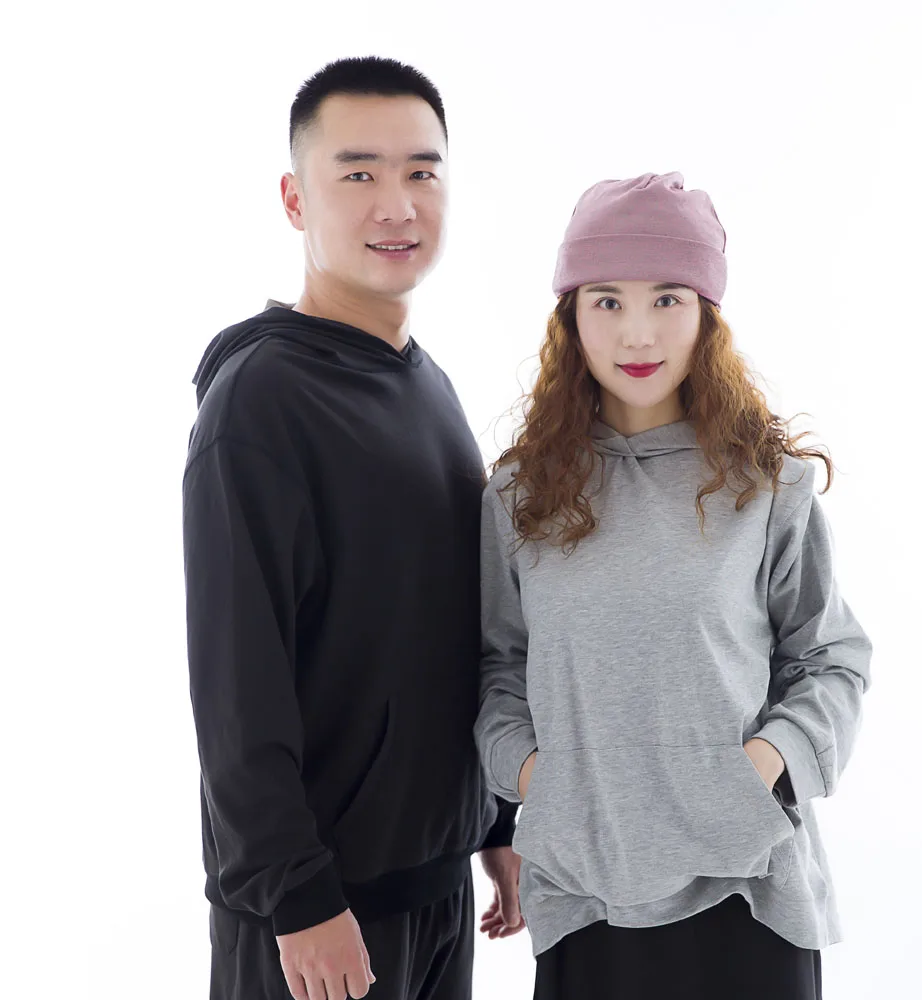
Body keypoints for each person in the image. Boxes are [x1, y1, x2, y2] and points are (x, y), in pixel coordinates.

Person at [474, 172, 873, 1000]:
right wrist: (539, 779)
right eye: (607, 300)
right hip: (585, 896)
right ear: (571, 316)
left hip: (749, 896)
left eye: (667, 298)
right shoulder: (519, 495)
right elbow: (496, 670)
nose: (637, 330)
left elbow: (831, 660)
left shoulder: (767, 483)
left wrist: (759, 768)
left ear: (706, 314)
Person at [182, 56, 524, 1000]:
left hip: (433, 890)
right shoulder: (261, 401)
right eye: (359, 173)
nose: (396, 205)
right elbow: (236, 678)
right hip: (318, 914)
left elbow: (450, 629)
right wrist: (297, 897)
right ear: (296, 199)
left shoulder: (427, 384)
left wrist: (494, 822)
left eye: (421, 172)